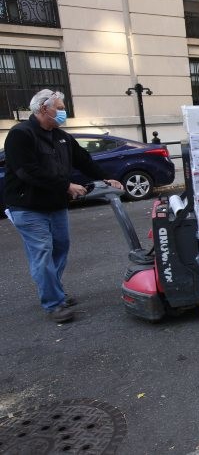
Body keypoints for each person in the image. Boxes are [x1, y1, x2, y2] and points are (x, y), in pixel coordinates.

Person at [3, 89, 123, 323]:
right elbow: (27, 172)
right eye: (58, 107)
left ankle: (54, 292)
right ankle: (53, 303)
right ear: (42, 109)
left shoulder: (61, 136)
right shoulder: (21, 135)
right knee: (42, 252)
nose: (62, 112)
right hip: (27, 206)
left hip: (55, 204)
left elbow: (83, 160)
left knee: (60, 249)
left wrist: (106, 177)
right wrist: (66, 186)